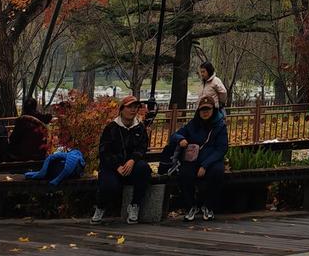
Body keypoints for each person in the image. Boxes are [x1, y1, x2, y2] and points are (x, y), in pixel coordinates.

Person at [163, 92, 228, 222]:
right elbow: (174, 135)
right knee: (184, 174)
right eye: (202, 109)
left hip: (211, 160)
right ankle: (191, 205)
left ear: (213, 110)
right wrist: (181, 139)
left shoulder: (220, 126)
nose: (205, 112)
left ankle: (208, 206)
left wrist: (205, 165)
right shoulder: (193, 124)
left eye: (208, 109)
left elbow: (221, 149)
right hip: (193, 159)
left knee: (217, 172)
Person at [92, 95, 152, 224]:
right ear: (122, 109)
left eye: (135, 107)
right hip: (112, 167)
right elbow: (104, 152)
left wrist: (132, 160)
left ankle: (135, 205)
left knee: (144, 169)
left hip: (131, 165)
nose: (133, 110)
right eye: (129, 107)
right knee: (109, 185)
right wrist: (116, 165)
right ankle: (100, 207)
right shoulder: (111, 128)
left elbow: (142, 148)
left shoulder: (140, 128)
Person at [6, 97, 50, 166]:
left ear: (24, 108)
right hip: (40, 154)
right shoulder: (42, 119)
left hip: (23, 155)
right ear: (35, 107)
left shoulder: (22, 120)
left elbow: (13, 139)